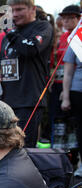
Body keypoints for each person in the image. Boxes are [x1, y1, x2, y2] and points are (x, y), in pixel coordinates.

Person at [0, 0, 53, 148]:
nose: (15, 14)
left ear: (33, 9)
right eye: (11, 11)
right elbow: (1, 66)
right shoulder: (6, 37)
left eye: (19, 9)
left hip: (28, 101)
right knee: (3, 148)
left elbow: (29, 49)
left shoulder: (42, 27)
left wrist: (10, 31)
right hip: (6, 102)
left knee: (22, 149)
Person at [49, 5, 81, 150]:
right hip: (65, 85)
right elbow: (63, 65)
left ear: (79, 19)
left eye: (70, 18)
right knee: (62, 122)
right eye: (64, 18)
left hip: (70, 85)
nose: (66, 21)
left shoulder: (76, 36)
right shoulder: (65, 38)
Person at [61, 30, 82, 177]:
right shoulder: (78, 37)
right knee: (81, 130)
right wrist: (66, 96)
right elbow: (68, 72)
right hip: (79, 91)